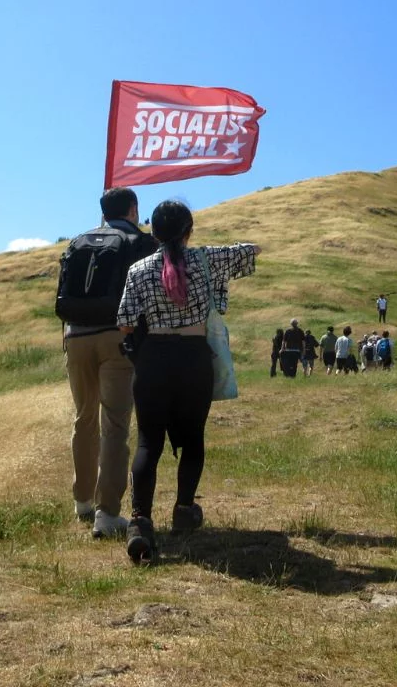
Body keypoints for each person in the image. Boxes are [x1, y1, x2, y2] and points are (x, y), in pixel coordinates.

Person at [116, 200, 259, 564]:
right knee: (193, 437)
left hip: (152, 360)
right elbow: (249, 251)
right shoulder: (209, 260)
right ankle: (183, 509)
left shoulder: (138, 270)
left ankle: (140, 521)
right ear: (189, 230)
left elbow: (126, 323)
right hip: (195, 359)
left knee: (149, 441)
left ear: (154, 232)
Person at [59, 187, 158, 539]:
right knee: (114, 423)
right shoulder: (138, 241)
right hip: (118, 337)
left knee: (83, 418)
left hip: (75, 336)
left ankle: (82, 500)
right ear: (133, 209)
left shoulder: (78, 241)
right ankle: (108, 513)